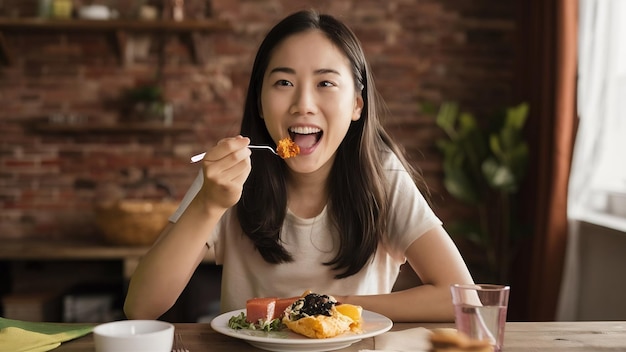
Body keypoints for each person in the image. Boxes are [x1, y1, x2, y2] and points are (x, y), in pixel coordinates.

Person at [124, 9, 474, 323]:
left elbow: (462, 298)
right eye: (283, 83)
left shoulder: (383, 176)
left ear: (356, 104)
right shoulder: (229, 175)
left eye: (325, 83)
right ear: (260, 103)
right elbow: (141, 307)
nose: (303, 104)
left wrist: (331, 305)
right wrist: (208, 204)